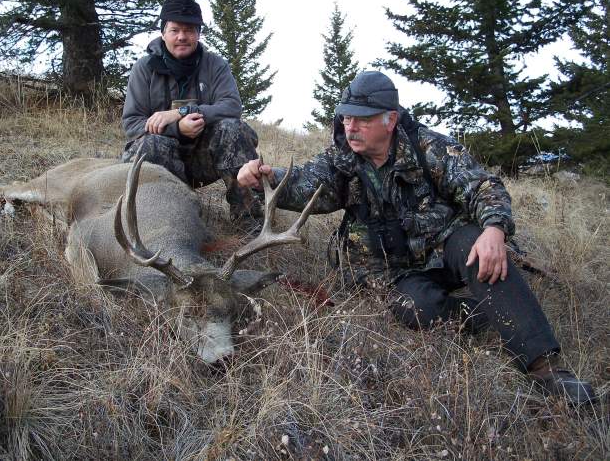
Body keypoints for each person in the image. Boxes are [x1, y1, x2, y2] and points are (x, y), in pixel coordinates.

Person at [237, 70, 597, 405]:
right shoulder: (341, 161)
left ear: (390, 119)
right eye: (347, 118)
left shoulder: (431, 149)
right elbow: (304, 184)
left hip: (445, 247)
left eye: (362, 119)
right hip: (393, 270)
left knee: (482, 250)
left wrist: (494, 230)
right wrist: (265, 177)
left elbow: (484, 187)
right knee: (416, 309)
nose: (351, 127)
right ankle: (495, 311)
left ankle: (547, 370)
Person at [122, 0, 262, 228]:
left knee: (233, 129)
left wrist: (182, 113)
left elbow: (232, 106)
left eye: (189, 30)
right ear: (163, 32)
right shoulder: (143, 69)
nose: (182, 37)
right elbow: (132, 123)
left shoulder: (215, 65)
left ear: (198, 33)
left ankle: (249, 222)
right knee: (149, 144)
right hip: (160, 160)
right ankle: (158, 222)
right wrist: (177, 129)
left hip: (201, 160)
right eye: (175, 30)